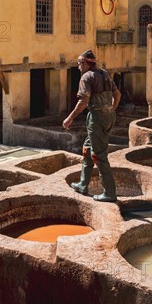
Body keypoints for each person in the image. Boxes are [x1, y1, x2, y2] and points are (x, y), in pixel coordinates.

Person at [62, 50, 121, 202]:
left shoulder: (87, 77)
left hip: (97, 117)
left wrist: (70, 117)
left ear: (86, 63)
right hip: (108, 116)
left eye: (79, 63)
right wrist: (111, 110)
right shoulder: (104, 74)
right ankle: (83, 184)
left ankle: (109, 193)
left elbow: (83, 101)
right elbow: (118, 94)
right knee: (87, 149)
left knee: (99, 155)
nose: (78, 67)